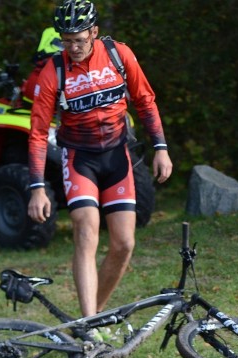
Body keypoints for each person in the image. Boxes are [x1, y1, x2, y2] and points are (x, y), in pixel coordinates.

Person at [27, 0, 173, 318]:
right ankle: (89, 324)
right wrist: (37, 187)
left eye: (79, 39)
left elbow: (145, 100)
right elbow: (38, 132)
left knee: (124, 244)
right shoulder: (54, 70)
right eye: (66, 41)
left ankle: (90, 319)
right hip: (79, 158)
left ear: (94, 31)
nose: (73, 47)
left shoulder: (119, 55)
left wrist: (160, 147)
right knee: (86, 231)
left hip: (116, 156)